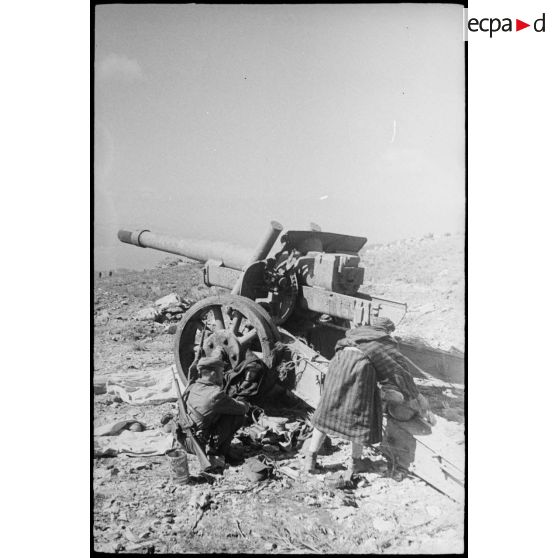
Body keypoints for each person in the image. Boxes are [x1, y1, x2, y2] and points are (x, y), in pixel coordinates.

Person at [304, 317, 429, 474]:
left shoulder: (357, 334)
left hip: (337, 365)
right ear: (387, 330)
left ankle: (310, 460)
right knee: (360, 417)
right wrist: (415, 396)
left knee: (326, 413)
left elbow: (338, 346)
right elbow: (398, 371)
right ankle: (356, 463)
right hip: (359, 370)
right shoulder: (383, 341)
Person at [182, 355, 249, 461]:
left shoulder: (192, 387)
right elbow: (242, 409)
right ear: (213, 374)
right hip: (197, 445)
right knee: (238, 415)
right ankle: (220, 450)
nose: (223, 375)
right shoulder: (215, 394)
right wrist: (244, 404)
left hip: (184, 439)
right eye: (221, 372)